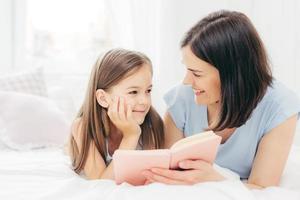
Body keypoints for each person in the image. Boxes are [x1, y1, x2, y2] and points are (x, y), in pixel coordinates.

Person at [142, 10, 300, 189]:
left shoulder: (280, 106)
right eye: (187, 70)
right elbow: (167, 172)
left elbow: (262, 187)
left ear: (232, 75)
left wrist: (216, 180)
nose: (187, 81)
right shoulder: (182, 97)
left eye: (197, 73)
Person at [69, 48, 164, 179]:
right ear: (103, 98)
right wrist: (131, 136)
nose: (144, 101)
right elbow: (102, 183)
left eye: (148, 91)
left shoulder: (152, 123)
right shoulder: (82, 127)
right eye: (133, 92)